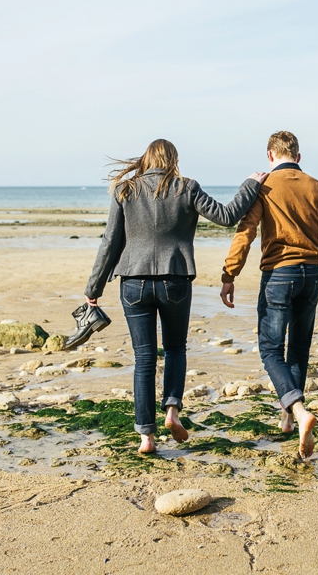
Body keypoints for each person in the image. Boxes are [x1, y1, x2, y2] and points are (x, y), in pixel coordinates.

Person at [84, 139, 268, 454]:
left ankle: (146, 437)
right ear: (172, 160)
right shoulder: (187, 187)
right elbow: (226, 216)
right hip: (175, 280)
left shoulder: (125, 190)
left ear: (146, 159)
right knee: (174, 349)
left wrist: (94, 288)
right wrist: (250, 184)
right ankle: (171, 411)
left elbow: (110, 242)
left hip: (133, 281)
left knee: (143, 359)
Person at [220, 131, 318, 458]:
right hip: (312, 274)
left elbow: (246, 232)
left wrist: (229, 274)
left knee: (269, 348)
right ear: (298, 157)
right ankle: (288, 419)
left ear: (270, 155)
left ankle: (299, 411)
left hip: (279, 273)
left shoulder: (264, 186)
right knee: (300, 347)